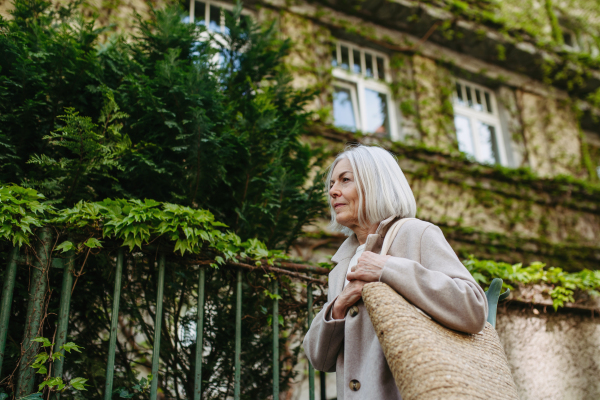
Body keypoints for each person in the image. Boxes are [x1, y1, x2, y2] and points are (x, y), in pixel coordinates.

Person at [303, 145, 488, 400]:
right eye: (332, 183)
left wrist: (386, 268)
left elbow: (473, 308)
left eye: (345, 180)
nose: (333, 191)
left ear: (375, 183)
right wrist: (341, 304)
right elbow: (319, 359)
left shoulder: (416, 234)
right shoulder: (341, 265)